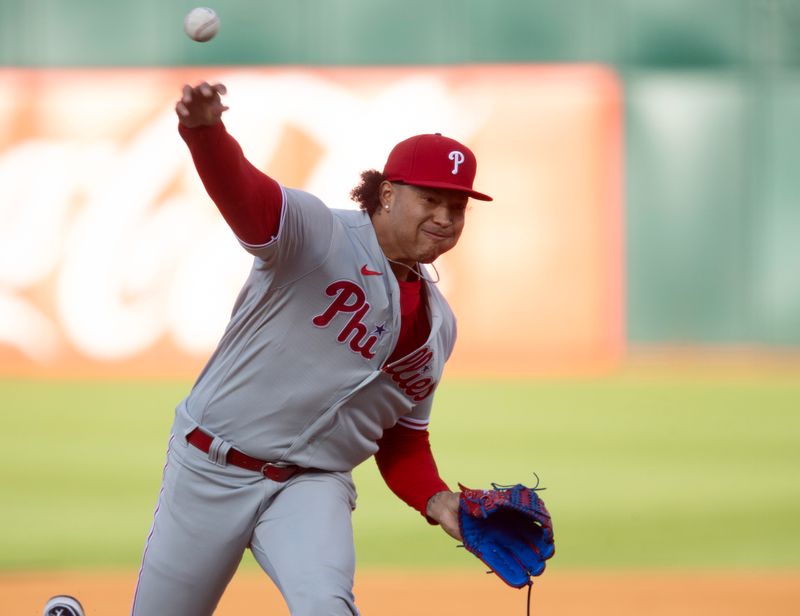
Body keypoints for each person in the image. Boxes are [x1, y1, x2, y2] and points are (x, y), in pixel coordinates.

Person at [131, 81, 493, 616]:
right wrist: (204, 130)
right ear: (388, 193)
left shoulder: (440, 327)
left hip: (311, 487)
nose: (445, 216)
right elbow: (245, 195)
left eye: (456, 205)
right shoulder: (316, 233)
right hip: (211, 467)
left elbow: (400, 440)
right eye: (430, 199)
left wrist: (437, 499)